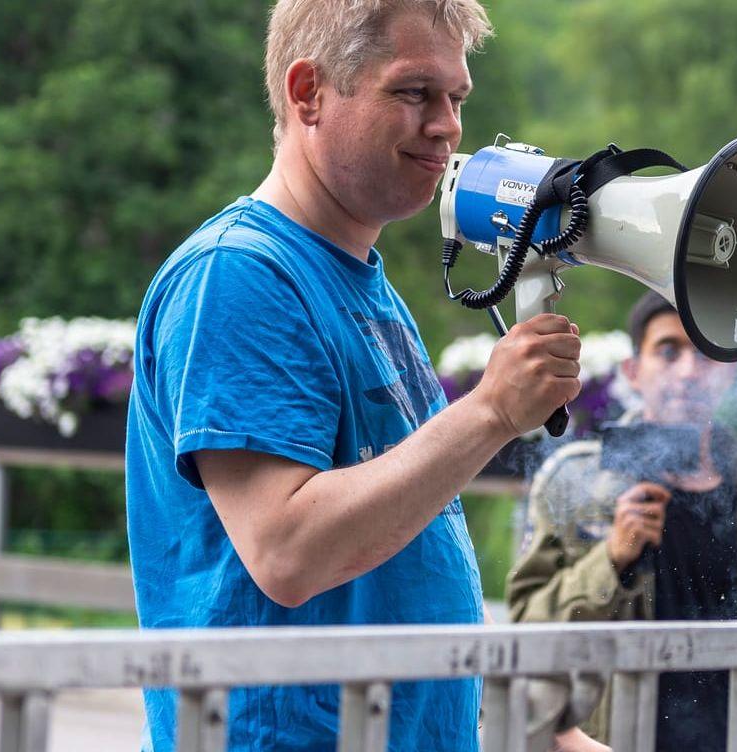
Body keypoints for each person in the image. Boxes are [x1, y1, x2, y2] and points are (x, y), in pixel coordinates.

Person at [125, 1, 603, 749]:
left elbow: (398, 564)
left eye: (456, 99)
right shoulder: (239, 274)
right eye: (414, 93)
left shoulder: (362, 284)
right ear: (307, 92)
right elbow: (288, 551)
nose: (446, 126)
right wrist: (489, 412)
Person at [507, 291, 737, 752]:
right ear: (633, 372)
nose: (689, 371)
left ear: (730, 372)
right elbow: (526, 633)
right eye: (669, 350)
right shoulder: (575, 481)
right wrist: (612, 558)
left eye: (707, 353)